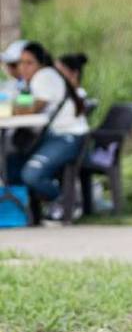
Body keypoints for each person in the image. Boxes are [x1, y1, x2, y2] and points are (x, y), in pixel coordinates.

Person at [8, 42, 90, 221]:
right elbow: (22, 105)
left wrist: (10, 107)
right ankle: (27, 211)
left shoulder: (44, 76)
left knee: (32, 175)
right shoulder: (31, 81)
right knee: (11, 165)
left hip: (68, 137)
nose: (23, 68)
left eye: (29, 63)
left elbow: (31, 108)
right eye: (20, 63)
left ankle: (66, 202)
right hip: (52, 136)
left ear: (41, 63)